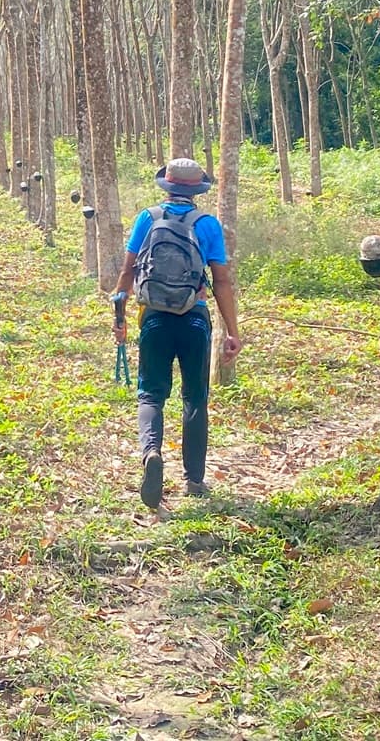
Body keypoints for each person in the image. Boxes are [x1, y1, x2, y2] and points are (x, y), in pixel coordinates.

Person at [111, 158, 243, 508]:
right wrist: (232, 331)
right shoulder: (208, 225)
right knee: (195, 396)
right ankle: (194, 481)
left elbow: (128, 271)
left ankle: (151, 453)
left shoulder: (147, 218)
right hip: (195, 319)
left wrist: (120, 317)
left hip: (153, 316)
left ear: (166, 187)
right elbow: (222, 281)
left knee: (151, 394)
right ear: (198, 191)